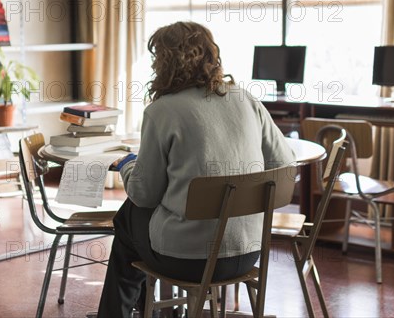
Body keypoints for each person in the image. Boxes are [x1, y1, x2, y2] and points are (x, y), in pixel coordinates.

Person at [96, 21, 295, 318]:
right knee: (136, 218)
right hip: (249, 253)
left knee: (127, 217)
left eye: (156, 57)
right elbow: (284, 164)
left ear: (165, 62)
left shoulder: (161, 111)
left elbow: (144, 194)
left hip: (188, 260)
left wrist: (128, 165)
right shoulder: (245, 99)